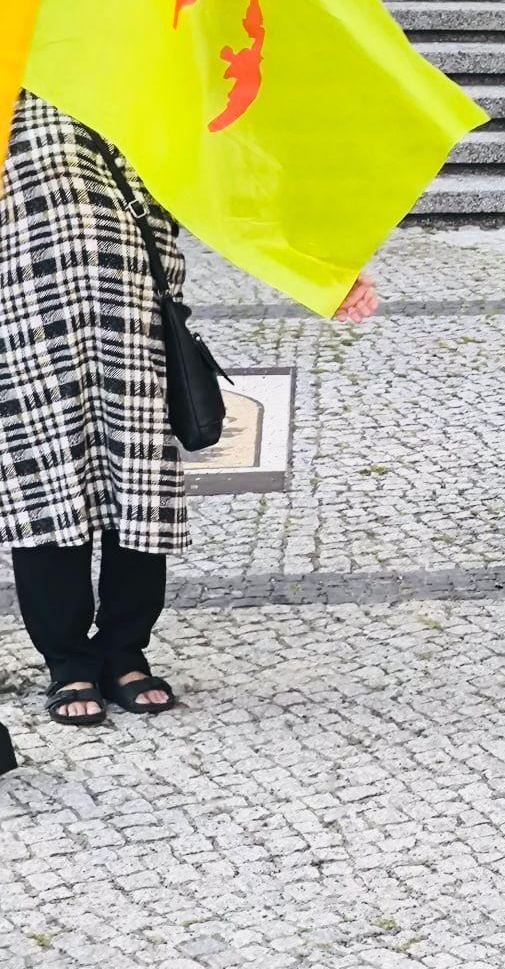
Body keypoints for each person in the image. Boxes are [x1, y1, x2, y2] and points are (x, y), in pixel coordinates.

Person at [0, 93, 378, 728]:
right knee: (47, 487)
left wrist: (323, 273)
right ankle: (66, 661)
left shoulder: (138, 84)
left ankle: (124, 650)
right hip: (25, 329)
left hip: (133, 323)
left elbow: (230, 190)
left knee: (139, 485)